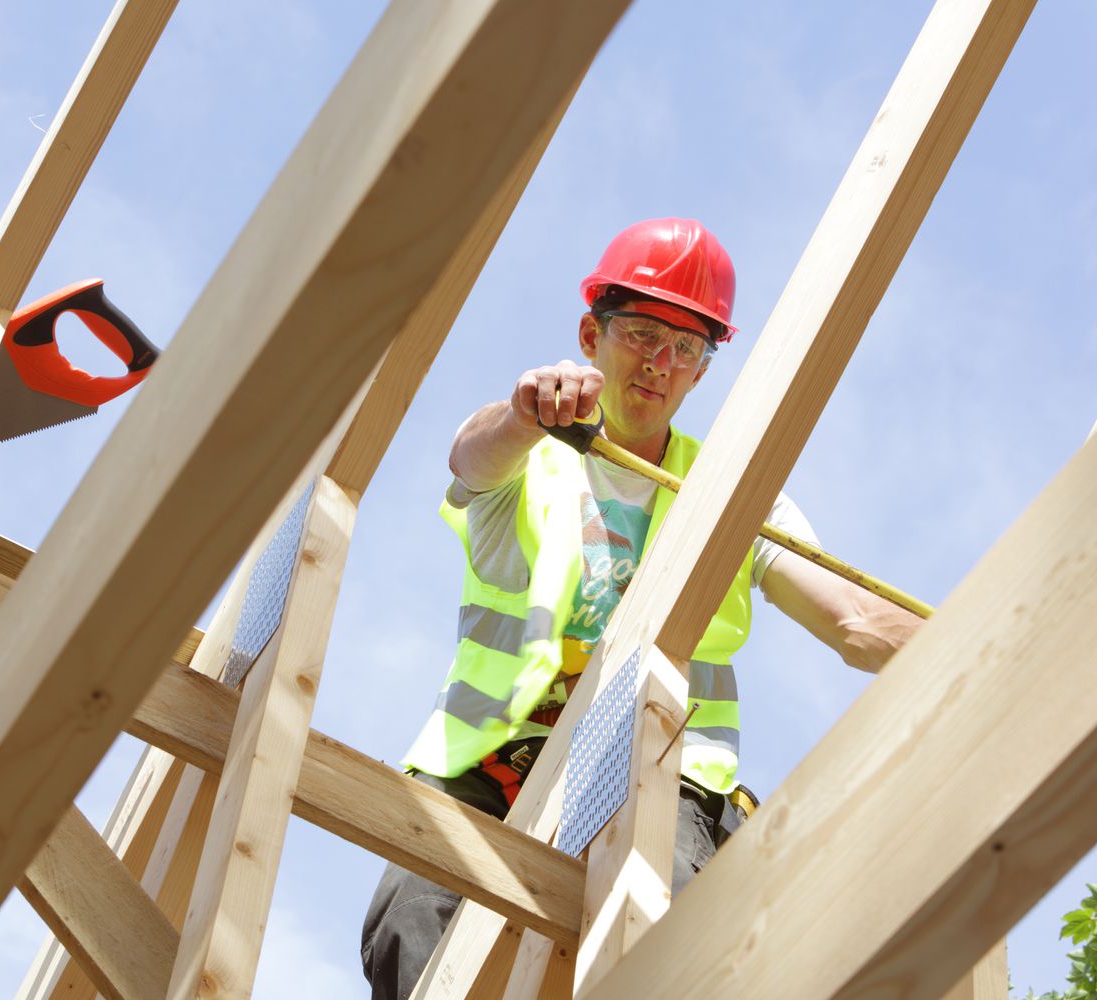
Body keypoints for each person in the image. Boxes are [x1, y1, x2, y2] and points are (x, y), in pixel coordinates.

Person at [360, 218, 922, 998]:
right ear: (591, 334)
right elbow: (470, 456)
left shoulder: (735, 490)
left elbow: (857, 621)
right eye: (642, 333)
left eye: (686, 348)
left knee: (674, 942)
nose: (660, 363)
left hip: (659, 768)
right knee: (408, 921)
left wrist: (1003, 637)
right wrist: (524, 413)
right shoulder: (531, 454)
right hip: (493, 761)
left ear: (701, 371)